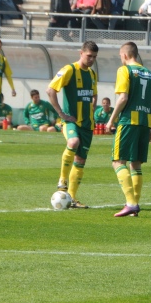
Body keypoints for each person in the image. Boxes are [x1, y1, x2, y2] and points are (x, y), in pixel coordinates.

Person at [106, 42, 151, 218]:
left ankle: (131, 204)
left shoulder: (124, 70)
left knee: (117, 161)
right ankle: (134, 204)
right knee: (135, 164)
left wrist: (110, 120)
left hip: (128, 121)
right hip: (145, 123)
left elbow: (123, 97)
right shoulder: (150, 74)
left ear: (124, 55)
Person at [46, 41, 99, 209]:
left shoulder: (91, 74)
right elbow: (51, 90)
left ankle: (72, 198)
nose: (91, 60)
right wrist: (61, 114)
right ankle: (62, 180)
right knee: (73, 142)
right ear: (81, 53)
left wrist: (92, 108)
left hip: (87, 124)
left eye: (94, 57)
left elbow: (94, 95)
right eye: (89, 56)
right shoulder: (69, 70)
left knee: (81, 160)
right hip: (71, 122)